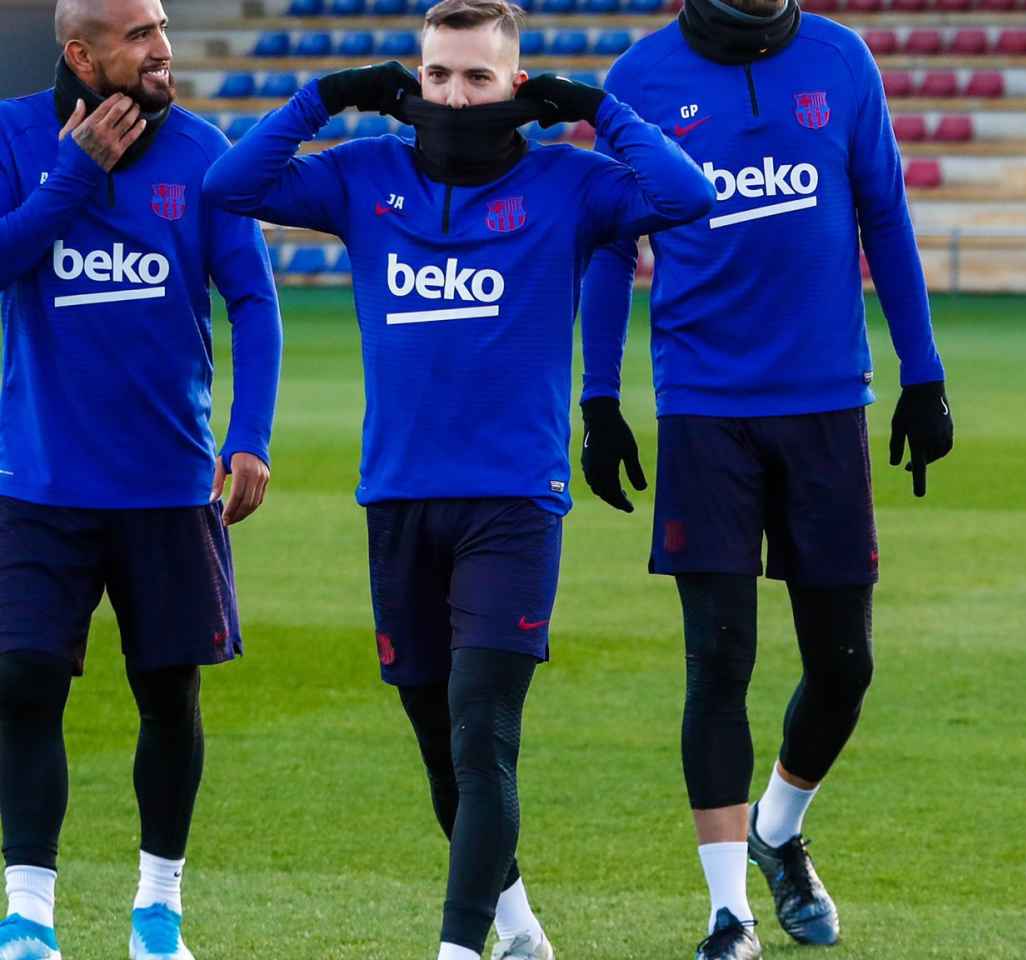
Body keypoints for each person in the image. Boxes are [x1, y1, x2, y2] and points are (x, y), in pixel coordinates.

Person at [200, 2, 712, 957]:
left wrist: (602, 109)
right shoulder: (364, 178)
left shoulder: (571, 184)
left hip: (513, 502)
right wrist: (330, 95)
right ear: (415, 82)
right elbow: (230, 187)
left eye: (478, 79)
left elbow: (687, 199)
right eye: (438, 77)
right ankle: (515, 928)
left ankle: (456, 947)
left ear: (516, 89)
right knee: (438, 739)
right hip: (395, 497)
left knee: (484, 738)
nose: (454, 96)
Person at [577, 0, 953, 953]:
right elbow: (610, 249)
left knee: (846, 665)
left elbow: (885, 216)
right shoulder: (640, 79)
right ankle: (729, 912)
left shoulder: (842, 59)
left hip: (828, 403)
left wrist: (925, 375)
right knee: (719, 662)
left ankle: (777, 830)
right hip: (705, 410)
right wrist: (600, 398)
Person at [0, 1, 282, 958]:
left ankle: (157, 914)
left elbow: (254, 298)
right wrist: (74, 179)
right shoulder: (12, 136)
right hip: (38, 483)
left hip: (169, 488)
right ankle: (28, 918)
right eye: (136, 34)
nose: (162, 47)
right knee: (24, 688)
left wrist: (247, 435)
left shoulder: (206, 149)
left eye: (163, 26)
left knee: (171, 700)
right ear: (80, 53)